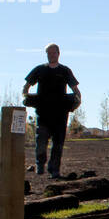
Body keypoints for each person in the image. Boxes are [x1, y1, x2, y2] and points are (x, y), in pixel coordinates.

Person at [22, 43, 81, 178]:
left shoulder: (65, 71)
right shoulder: (39, 70)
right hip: (43, 113)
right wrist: (25, 97)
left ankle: (54, 170)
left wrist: (77, 100)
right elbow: (26, 87)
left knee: (58, 144)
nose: (51, 55)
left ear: (58, 54)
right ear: (46, 54)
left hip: (61, 114)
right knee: (41, 141)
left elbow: (75, 90)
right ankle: (40, 164)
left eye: (53, 53)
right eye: (49, 53)